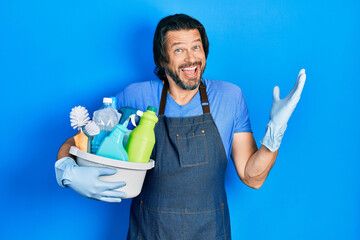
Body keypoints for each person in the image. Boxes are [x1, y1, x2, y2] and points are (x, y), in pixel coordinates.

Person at [55, 14, 306, 239]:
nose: (191, 58)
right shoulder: (136, 97)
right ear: (162, 59)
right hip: (149, 232)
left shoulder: (230, 97)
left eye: (196, 47)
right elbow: (79, 140)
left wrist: (275, 132)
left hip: (211, 233)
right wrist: (67, 171)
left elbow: (253, 177)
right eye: (179, 50)